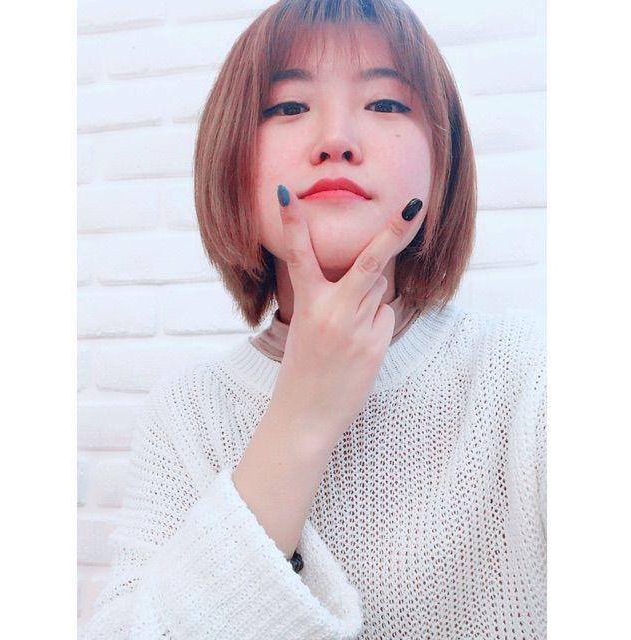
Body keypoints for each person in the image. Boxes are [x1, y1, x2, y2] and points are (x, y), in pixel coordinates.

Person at [79, 0, 546, 638]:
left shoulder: (531, 373)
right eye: (289, 107)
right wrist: (302, 414)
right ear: (231, 160)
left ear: (443, 163)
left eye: (385, 103)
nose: (336, 140)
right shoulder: (187, 413)